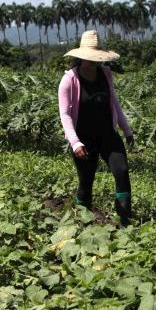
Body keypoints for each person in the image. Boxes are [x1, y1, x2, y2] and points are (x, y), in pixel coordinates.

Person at [58, 30, 134, 225]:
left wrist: (126, 129)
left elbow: (114, 102)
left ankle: (126, 223)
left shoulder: (105, 75)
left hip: (107, 134)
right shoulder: (69, 81)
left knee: (122, 171)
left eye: (96, 58)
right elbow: (65, 115)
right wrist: (75, 143)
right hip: (83, 139)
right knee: (86, 181)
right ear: (81, 57)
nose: (94, 62)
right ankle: (84, 224)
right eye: (90, 58)